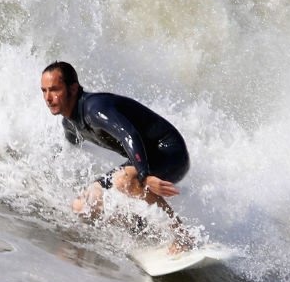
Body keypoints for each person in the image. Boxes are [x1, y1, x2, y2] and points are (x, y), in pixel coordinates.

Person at [40, 61, 193, 251]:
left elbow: (130, 135)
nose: (48, 98)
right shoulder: (69, 125)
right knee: (83, 206)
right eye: (44, 91)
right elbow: (73, 149)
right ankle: (142, 229)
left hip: (170, 153)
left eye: (54, 89)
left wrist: (144, 176)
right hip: (142, 158)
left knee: (124, 182)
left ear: (73, 89)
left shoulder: (95, 109)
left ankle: (182, 235)